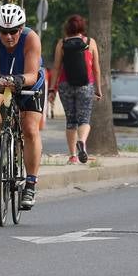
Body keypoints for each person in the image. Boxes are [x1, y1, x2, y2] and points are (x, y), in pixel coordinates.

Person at [0, 3, 45, 210]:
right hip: (1, 80)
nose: (9, 37)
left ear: (21, 28)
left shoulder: (31, 38)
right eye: (3, 31)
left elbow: (32, 74)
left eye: (13, 31)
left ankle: (30, 184)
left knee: (29, 129)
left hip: (28, 82)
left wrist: (18, 80)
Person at [49, 15, 102, 164]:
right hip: (86, 85)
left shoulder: (62, 43)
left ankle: (73, 156)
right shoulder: (90, 43)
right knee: (84, 119)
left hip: (65, 85)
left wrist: (52, 89)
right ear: (82, 27)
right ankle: (82, 142)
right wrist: (98, 89)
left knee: (70, 121)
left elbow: (56, 67)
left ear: (68, 27)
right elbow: (96, 69)